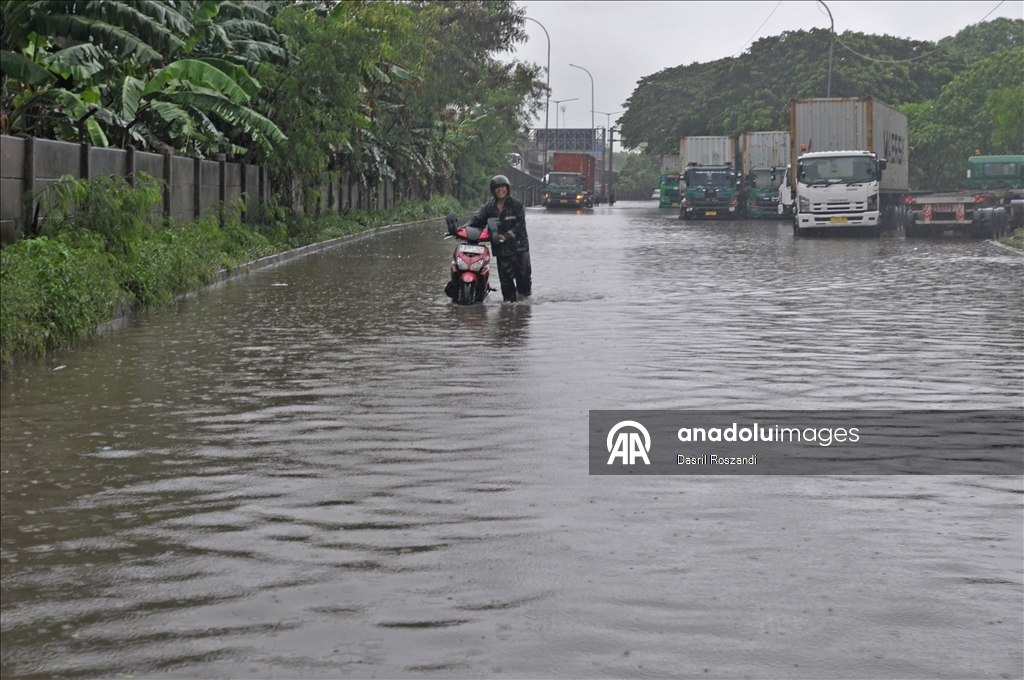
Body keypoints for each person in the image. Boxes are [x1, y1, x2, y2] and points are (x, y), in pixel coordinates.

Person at [467, 174, 531, 302]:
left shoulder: (516, 205)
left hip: (519, 248)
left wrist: (506, 236)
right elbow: (477, 221)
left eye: (503, 187)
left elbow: (520, 226)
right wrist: (461, 229)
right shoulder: (489, 208)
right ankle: (508, 307)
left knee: (523, 280)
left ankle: (523, 310)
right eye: (497, 187)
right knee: (506, 283)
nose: (500, 190)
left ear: (507, 189)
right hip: (501, 250)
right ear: (493, 190)